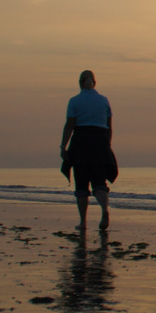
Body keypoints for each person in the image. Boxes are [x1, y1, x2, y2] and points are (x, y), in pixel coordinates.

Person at [60, 70, 117, 230]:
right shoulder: (104, 101)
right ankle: (104, 210)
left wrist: (63, 146)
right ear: (95, 83)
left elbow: (69, 125)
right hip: (100, 141)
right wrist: (107, 145)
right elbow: (109, 127)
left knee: (82, 183)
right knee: (99, 182)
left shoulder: (74, 101)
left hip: (81, 142)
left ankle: (83, 222)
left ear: (80, 83)